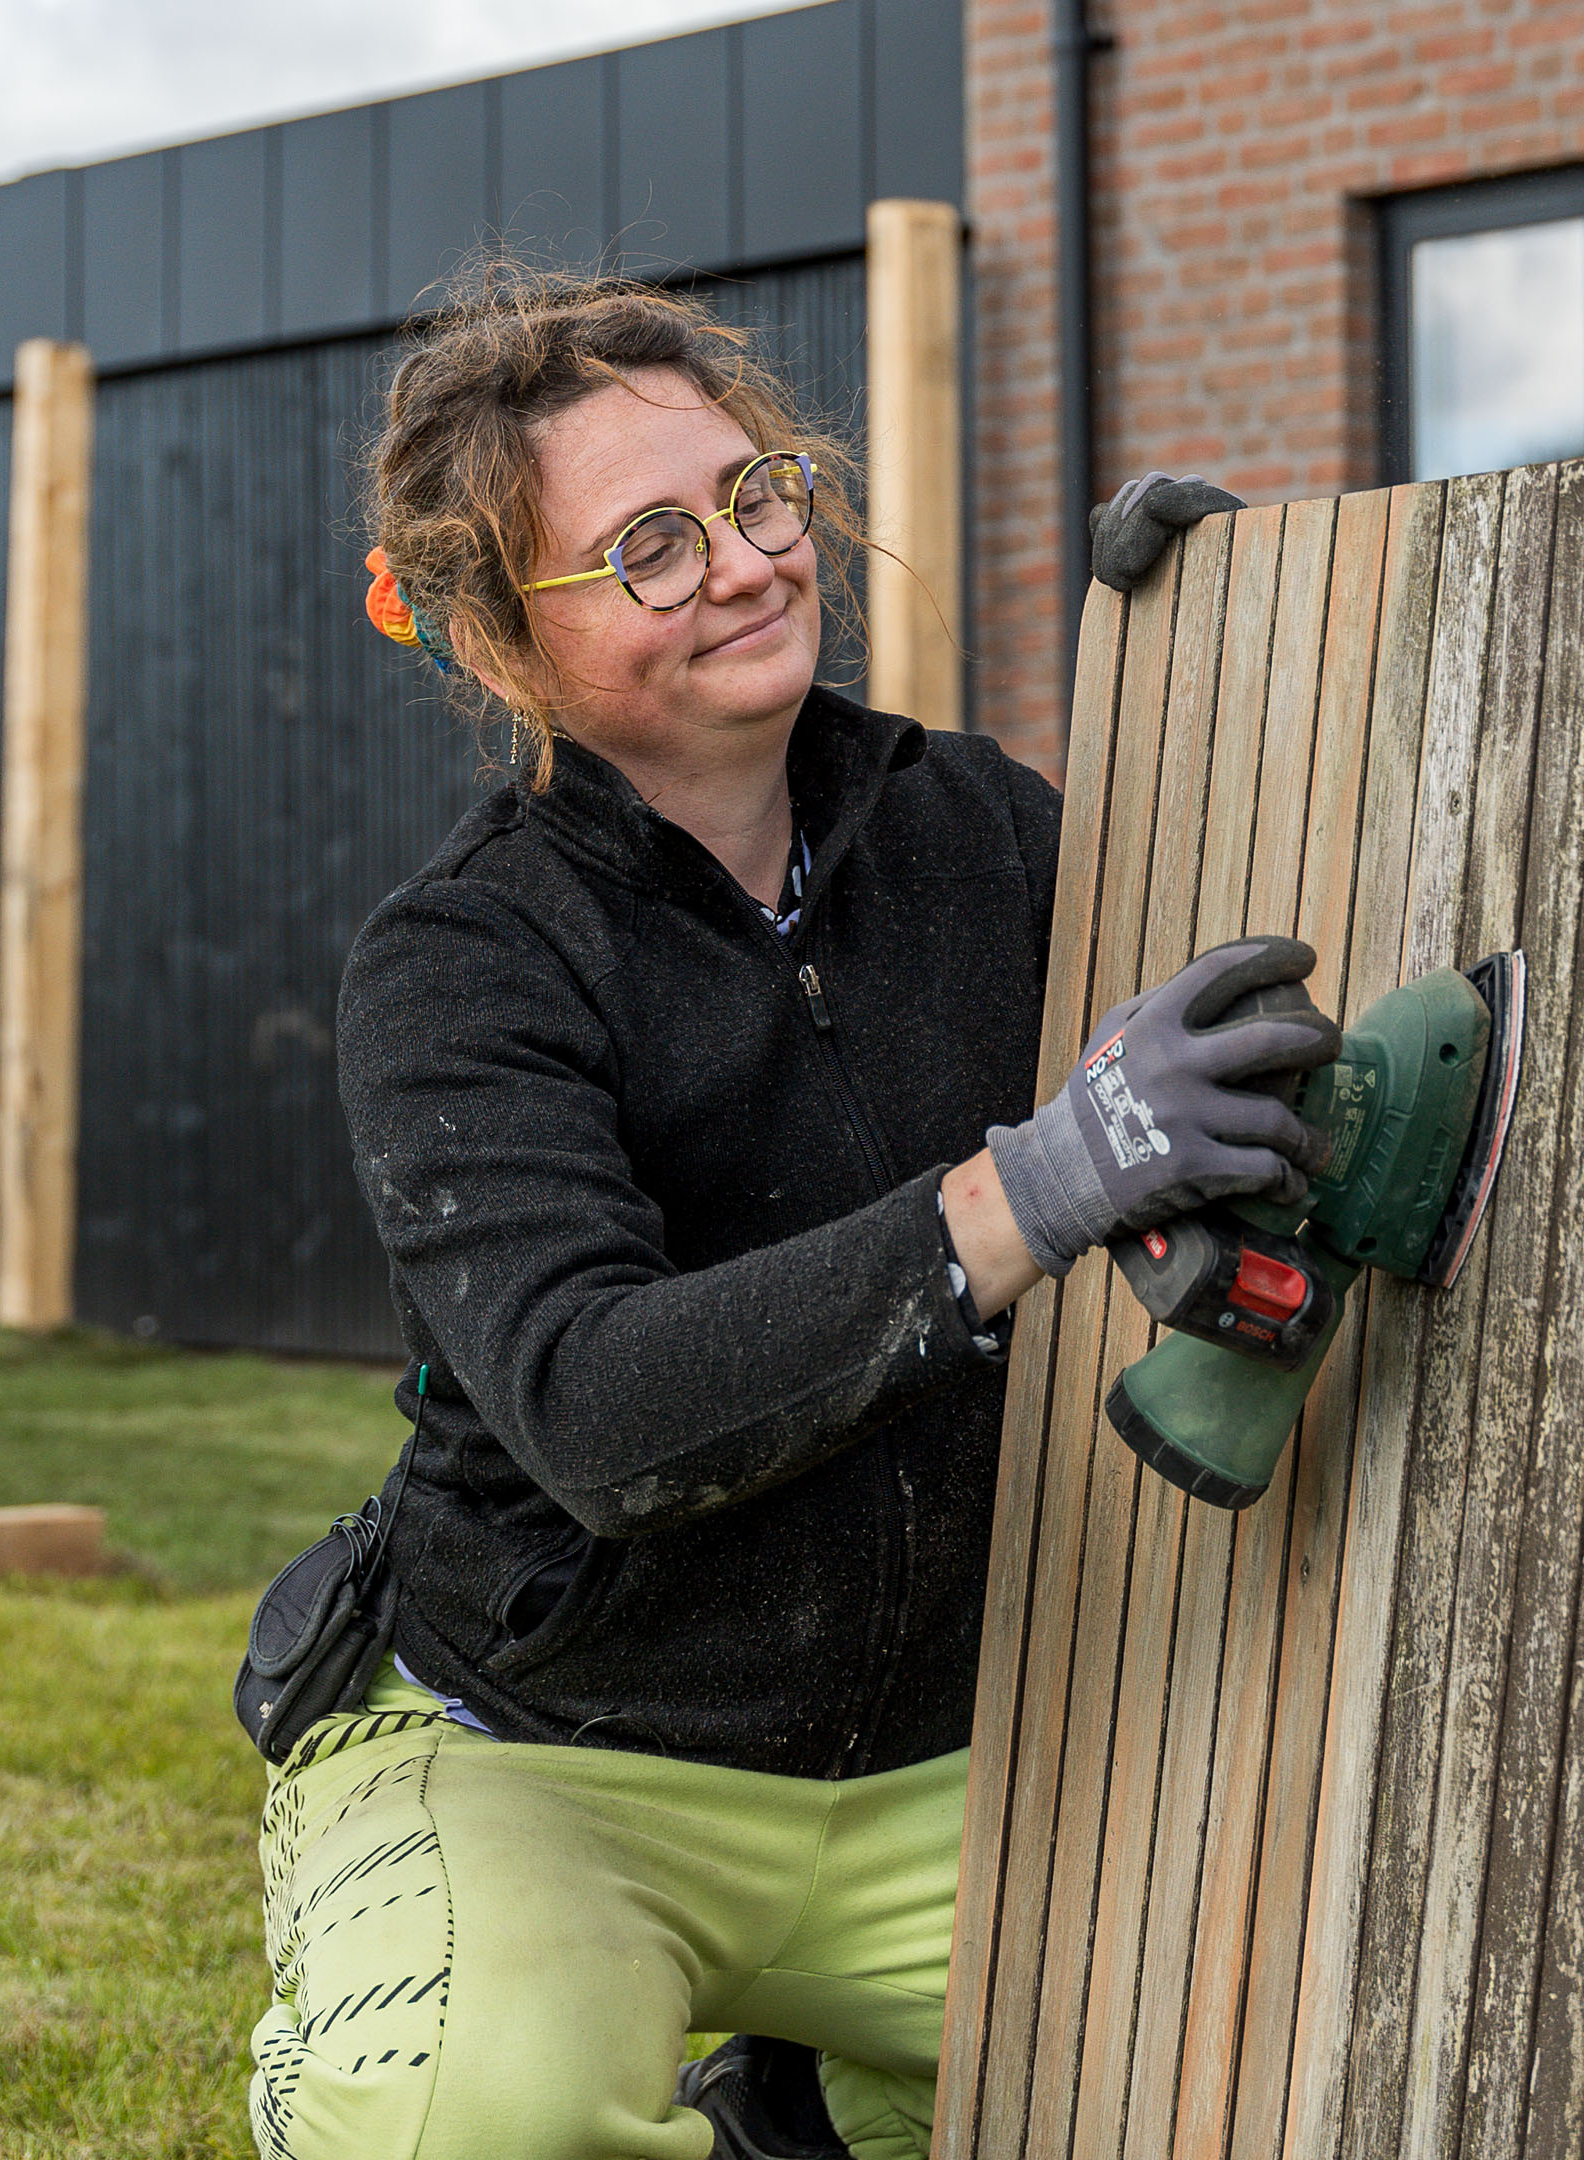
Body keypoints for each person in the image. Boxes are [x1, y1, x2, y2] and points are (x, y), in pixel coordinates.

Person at [246, 263, 1310, 2160]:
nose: (746, 566)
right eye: (649, 546)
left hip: (952, 1769)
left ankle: (799, 2110)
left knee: (1258, 2061)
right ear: (500, 641)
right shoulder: (464, 965)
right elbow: (596, 1407)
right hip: (553, 1755)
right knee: (471, 2121)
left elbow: (1261, 1001)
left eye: (757, 496)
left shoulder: (975, 824)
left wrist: (1248, 663)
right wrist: (1031, 1189)